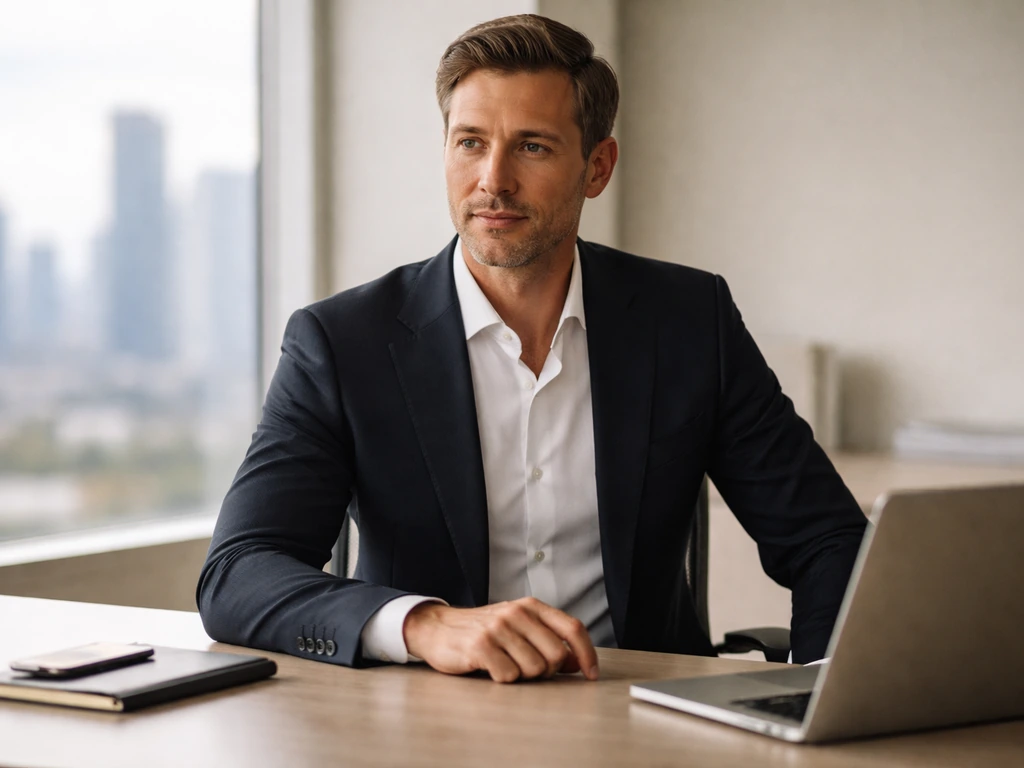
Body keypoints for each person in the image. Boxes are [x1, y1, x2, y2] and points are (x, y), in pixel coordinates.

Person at [197, 14, 866, 683]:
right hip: (425, 719)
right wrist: (425, 624)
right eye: (470, 143)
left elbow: (826, 538)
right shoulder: (343, 343)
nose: (493, 179)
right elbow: (237, 572)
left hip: (644, 714)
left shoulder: (689, 322)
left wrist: (821, 695)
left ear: (597, 167)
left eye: (533, 148)